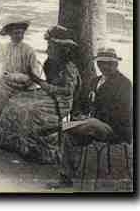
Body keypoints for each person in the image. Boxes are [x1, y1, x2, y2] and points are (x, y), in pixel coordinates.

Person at [0, 25, 82, 164]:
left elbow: (68, 91)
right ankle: (14, 144)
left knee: (30, 109)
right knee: (15, 101)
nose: (48, 49)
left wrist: (42, 83)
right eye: (49, 45)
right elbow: (45, 82)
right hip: (48, 94)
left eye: (51, 46)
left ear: (61, 49)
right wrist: (38, 81)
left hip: (61, 101)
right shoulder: (50, 63)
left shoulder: (68, 67)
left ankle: (33, 149)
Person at [50, 47, 132, 189]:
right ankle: (66, 177)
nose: (104, 67)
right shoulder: (95, 81)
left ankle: (53, 127)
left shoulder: (124, 84)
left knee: (88, 122)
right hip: (92, 125)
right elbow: (84, 102)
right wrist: (80, 114)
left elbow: (122, 113)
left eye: (108, 63)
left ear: (115, 64)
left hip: (114, 129)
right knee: (69, 134)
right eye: (101, 63)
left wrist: (94, 117)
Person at [0, 19, 43, 137]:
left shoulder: (29, 50)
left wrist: (16, 77)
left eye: (21, 33)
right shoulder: (4, 49)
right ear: (10, 34)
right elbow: (3, 70)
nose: (19, 35)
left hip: (25, 85)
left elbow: (35, 75)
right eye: (16, 33)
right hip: (9, 83)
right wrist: (6, 76)